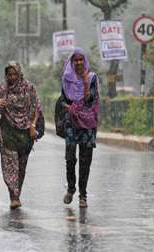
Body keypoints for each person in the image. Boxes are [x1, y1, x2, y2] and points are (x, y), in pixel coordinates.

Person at [0, 61, 42, 210]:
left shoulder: (29, 87)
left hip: (26, 133)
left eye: (14, 74)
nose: (12, 77)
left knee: (21, 166)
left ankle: (17, 193)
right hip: (8, 131)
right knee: (10, 165)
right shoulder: (2, 89)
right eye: (9, 74)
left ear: (19, 73)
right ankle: (13, 196)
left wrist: (33, 126)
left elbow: (36, 108)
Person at [59, 48, 100, 208]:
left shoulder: (91, 78)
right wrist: (69, 108)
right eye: (75, 60)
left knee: (85, 159)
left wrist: (84, 85)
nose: (78, 62)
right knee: (70, 158)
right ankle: (71, 188)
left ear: (85, 61)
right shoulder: (66, 79)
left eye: (81, 59)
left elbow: (93, 99)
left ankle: (83, 196)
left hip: (88, 123)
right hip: (71, 122)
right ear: (71, 62)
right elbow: (62, 99)